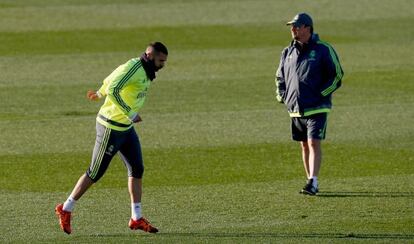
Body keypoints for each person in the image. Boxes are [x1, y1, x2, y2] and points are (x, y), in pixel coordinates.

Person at [55, 42, 168, 234]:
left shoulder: (145, 70)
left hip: (126, 128)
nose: (162, 65)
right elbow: (115, 88)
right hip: (110, 127)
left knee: (137, 168)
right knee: (95, 172)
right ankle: (65, 209)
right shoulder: (135, 67)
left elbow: (112, 77)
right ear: (149, 55)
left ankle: (136, 217)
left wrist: (99, 93)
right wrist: (130, 113)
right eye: (160, 60)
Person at [275, 13, 343, 195]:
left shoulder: (323, 49)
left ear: (307, 28)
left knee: (313, 142)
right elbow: (279, 77)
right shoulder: (287, 52)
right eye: (292, 26)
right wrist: (283, 96)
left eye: (297, 26)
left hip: (317, 107)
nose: (293, 29)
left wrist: (321, 94)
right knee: (304, 144)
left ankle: (313, 181)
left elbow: (337, 76)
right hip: (296, 109)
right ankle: (310, 182)